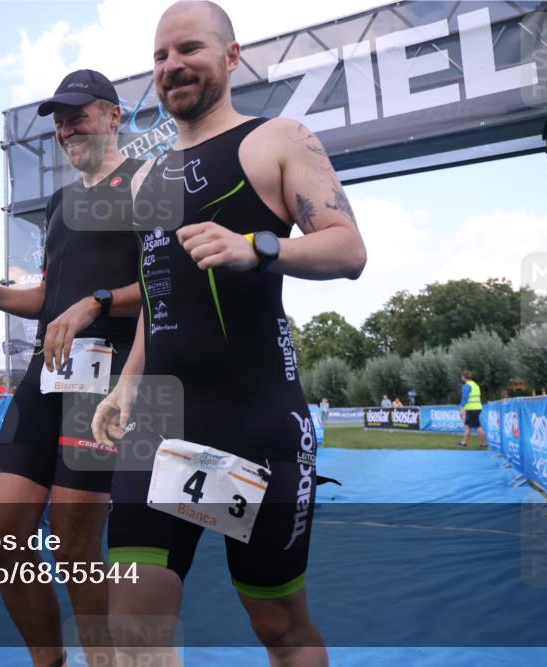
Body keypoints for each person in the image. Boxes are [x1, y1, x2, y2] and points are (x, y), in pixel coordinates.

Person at [91, 3, 366, 665]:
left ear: (232, 56)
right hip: (161, 429)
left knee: (279, 628)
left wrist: (258, 246)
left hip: (255, 428)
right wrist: (125, 387)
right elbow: (162, 304)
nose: (172, 66)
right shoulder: (149, 178)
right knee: (132, 624)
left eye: (188, 49)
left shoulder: (279, 139)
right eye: (160, 56)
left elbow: (348, 250)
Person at [0, 69, 143, 667]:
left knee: (76, 540)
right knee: (4, 537)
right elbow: (53, 293)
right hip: (46, 372)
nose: (66, 125)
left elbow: (166, 284)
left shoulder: (147, 183)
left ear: (113, 115)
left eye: (78, 112)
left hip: (108, 376)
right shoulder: (60, 202)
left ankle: (103, 661)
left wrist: (95, 302)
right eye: (58, 117)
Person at [457, 371, 486, 448]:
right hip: (476, 407)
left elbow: (465, 398)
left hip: (472, 408)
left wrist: (462, 408)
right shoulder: (475, 385)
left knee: (477, 426)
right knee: (467, 425)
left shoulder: (467, 386)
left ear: (463, 377)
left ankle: (484, 444)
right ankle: (464, 443)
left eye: (462, 376)